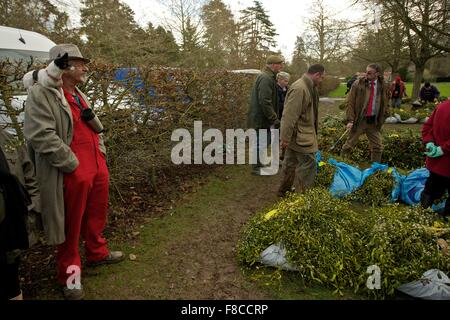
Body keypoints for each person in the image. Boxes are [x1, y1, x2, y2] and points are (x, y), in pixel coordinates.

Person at [23, 44, 124, 300]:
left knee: (96, 214)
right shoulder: (41, 93)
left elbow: (92, 125)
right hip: (71, 169)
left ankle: (97, 253)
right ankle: (70, 277)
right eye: (80, 63)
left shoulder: (77, 92)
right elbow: (40, 135)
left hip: (96, 165)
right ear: (64, 65)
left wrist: (100, 154)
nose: (85, 68)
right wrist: (72, 164)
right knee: (70, 224)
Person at [0, 129, 40, 300]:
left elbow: (29, 173)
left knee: (10, 270)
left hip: (11, 226)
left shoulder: (7, 138)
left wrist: (32, 209)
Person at [277, 64, 325, 197]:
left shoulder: (309, 87)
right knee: (308, 165)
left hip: (300, 134)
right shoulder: (300, 88)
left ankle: (284, 191)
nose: (321, 81)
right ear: (317, 75)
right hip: (301, 137)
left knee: (290, 164)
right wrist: (285, 138)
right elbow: (289, 115)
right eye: (321, 78)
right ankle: (304, 198)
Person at [341, 63, 390, 164]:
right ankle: (342, 164)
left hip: (373, 121)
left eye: (369, 72)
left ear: (377, 73)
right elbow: (350, 103)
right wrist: (350, 120)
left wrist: (384, 116)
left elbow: (386, 102)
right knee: (349, 144)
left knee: (378, 147)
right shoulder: (357, 84)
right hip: (360, 120)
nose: (366, 74)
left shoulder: (383, 85)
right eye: (366, 71)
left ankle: (375, 168)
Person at [247, 55, 284, 175]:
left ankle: (259, 163)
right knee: (262, 141)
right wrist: (274, 118)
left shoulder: (268, 77)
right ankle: (256, 167)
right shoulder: (266, 78)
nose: (281, 66)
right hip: (262, 118)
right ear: (273, 65)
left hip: (263, 117)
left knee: (263, 141)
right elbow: (265, 101)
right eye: (279, 64)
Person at [420, 98, 450, 218]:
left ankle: (421, 214)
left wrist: (429, 142)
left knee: (431, 189)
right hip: (447, 163)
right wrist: (443, 149)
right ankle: (444, 218)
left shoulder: (442, 106)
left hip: (437, 163)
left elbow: (427, 127)